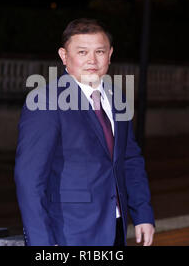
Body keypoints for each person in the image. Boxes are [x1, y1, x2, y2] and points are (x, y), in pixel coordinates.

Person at [14, 18, 155, 246]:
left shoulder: (117, 97)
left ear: (110, 54)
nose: (92, 60)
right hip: (69, 233)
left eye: (99, 51)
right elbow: (29, 180)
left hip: (115, 227)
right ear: (64, 56)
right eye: (82, 52)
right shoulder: (45, 101)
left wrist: (143, 214)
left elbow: (129, 160)